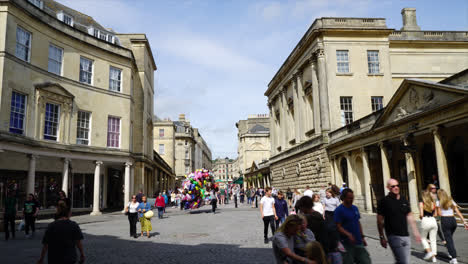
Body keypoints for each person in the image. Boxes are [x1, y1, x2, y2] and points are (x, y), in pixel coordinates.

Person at [377, 178, 421, 264]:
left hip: (406, 235)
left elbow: (409, 215)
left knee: (403, 261)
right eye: (393, 186)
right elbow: (379, 220)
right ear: (388, 188)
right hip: (394, 236)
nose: (396, 188)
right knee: (403, 261)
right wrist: (382, 237)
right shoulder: (384, 201)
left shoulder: (404, 199)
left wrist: (416, 232)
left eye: (397, 185)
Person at [334, 188, 370, 264]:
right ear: (343, 198)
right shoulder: (339, 210)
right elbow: (338, 226)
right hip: (346, 243)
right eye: (349, 198)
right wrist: (348, 234)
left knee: (366, 261)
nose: (351, 200)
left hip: (358, 241)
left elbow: (358, 222)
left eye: (352, 198)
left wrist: (362, 237)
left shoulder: (355, 208)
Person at [437, 189, 468, 264]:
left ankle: (453, 258)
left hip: (445, 220)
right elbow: (458, 212)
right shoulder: (451, 201)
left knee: (449, 240)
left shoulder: (438, 202)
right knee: (449, 238)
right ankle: (450, 251)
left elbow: (439, 214)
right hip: (453, 220)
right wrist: (464, 222)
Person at [419, 188, 438, 262]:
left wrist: (420, 217)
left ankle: (429, 252)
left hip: (425, 220)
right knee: (433, 239)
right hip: (433, 220)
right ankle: (434, 257)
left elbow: (421, 214)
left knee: (423, 238)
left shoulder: (421, 202)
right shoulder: (433, 202)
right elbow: (435, 214)